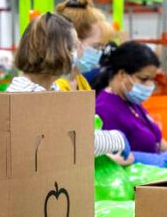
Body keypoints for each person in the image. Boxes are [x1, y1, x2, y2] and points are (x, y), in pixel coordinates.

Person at [8, 12, 128, 158]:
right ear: (56, 51)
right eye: (74, 47)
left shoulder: (51, 90)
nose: (77, 54)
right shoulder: (29, 96)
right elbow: (68, 142)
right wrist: (116, 139)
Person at [95, 41, 167, 167]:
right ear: (122, 74)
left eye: (152, 79)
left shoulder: (131, 102)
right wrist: (156, 159)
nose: (149, 85)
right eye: (144, 79)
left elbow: (157, 140)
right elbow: (112, 158)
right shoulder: (104, 109)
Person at [54, 0, 110, 91]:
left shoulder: (80, 81)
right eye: (96, 47)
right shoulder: (53, 87)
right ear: (72, 42)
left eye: (102, 48)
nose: (99, 53)